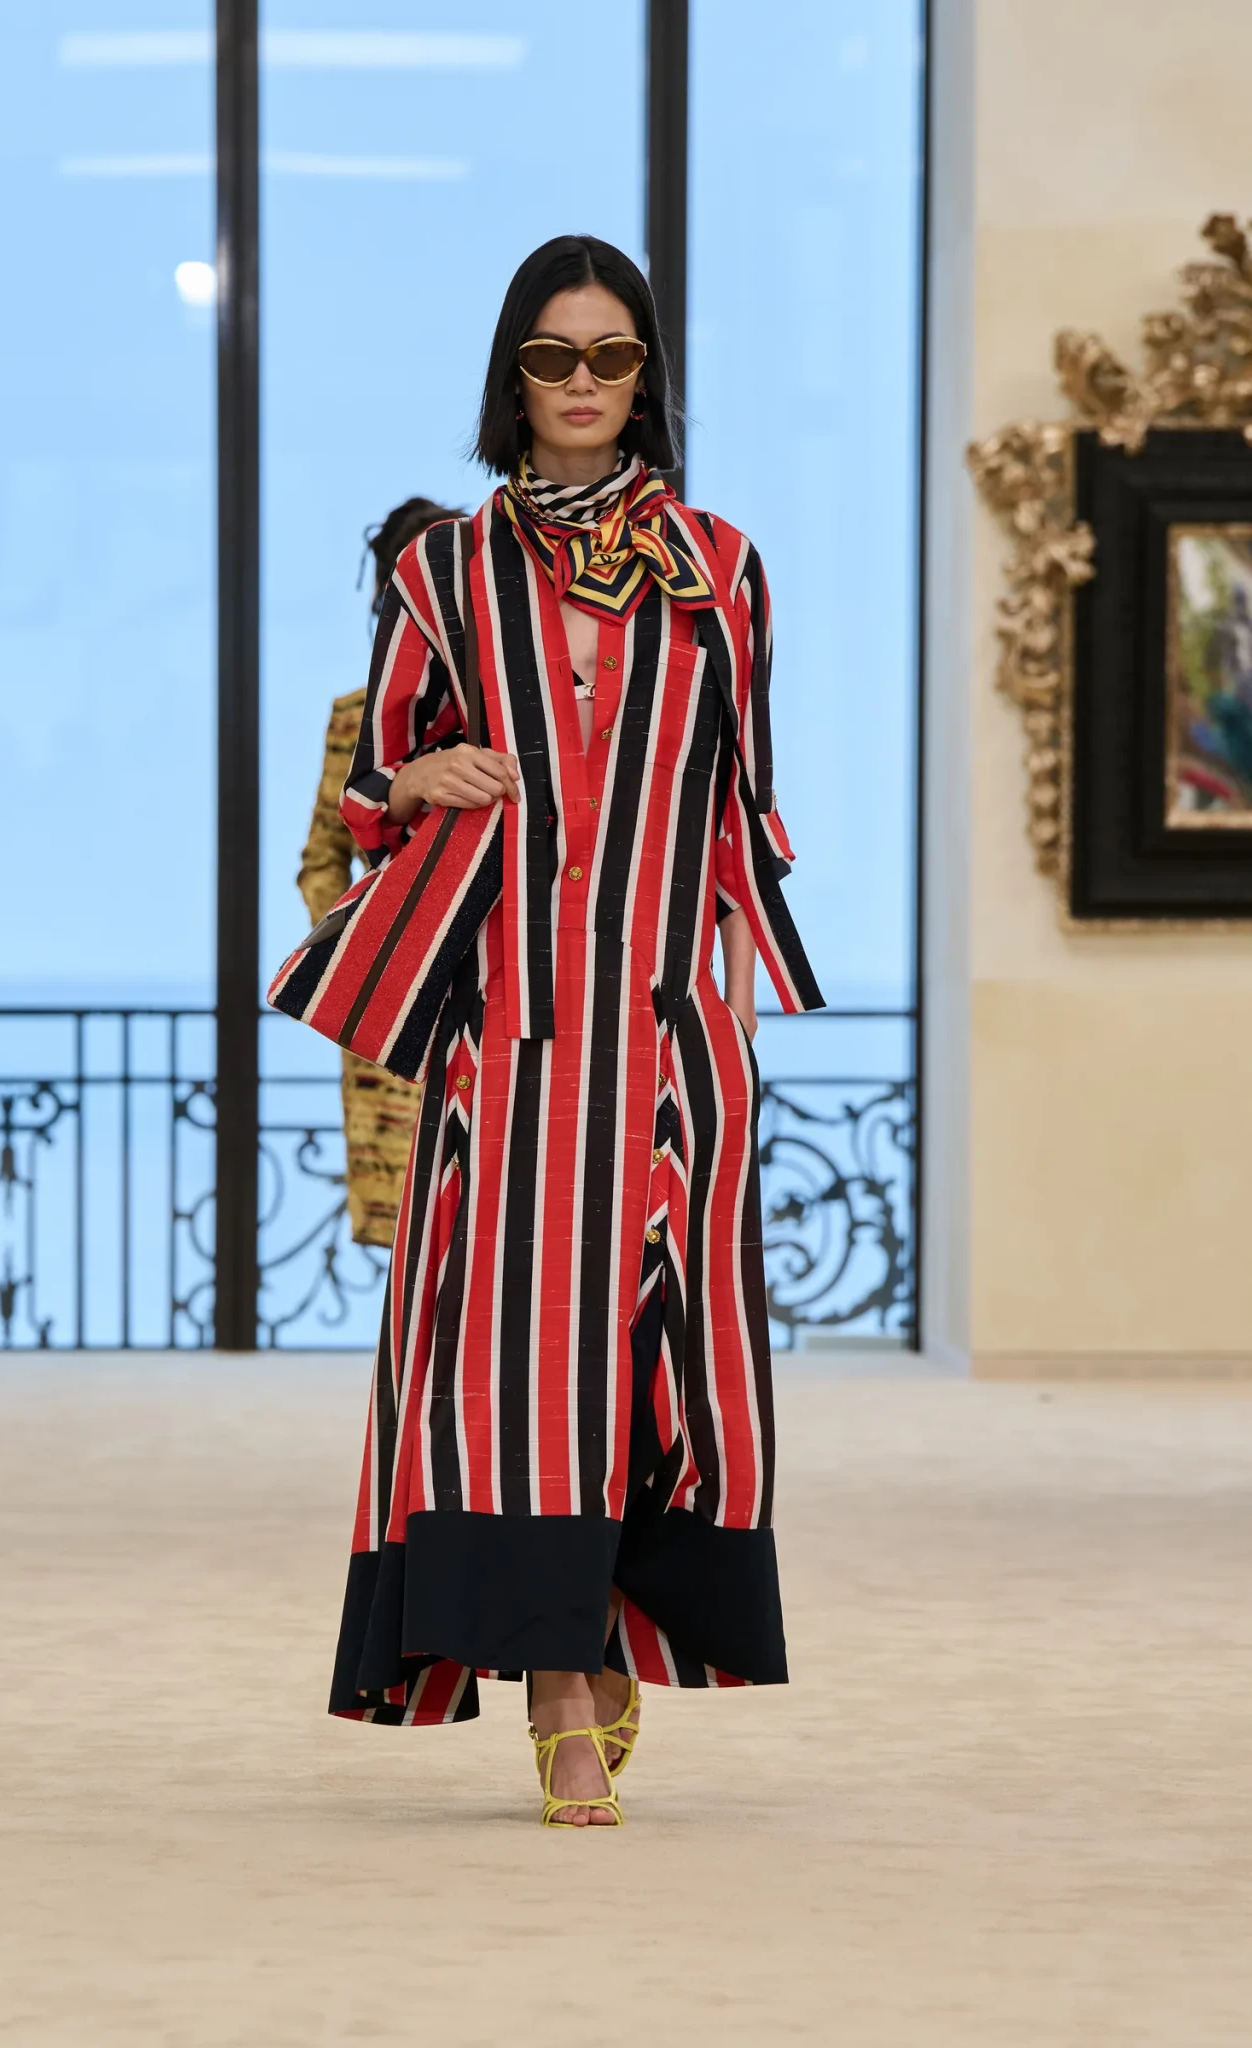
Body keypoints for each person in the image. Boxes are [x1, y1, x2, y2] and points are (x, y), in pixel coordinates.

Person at [330, 235, 823, 1825]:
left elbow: (743, 818)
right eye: (554, 357)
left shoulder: (721, 567)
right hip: (514, 1033)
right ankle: (555, 1688)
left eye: (613, 355)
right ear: (514, 378)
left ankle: (619, 1632)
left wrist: (736, 1032)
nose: (584, 384)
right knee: (518, 1361)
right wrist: (420, 775)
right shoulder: (444, 573)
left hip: (673, 1033)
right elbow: (370, 788)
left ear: (647, 375)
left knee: (664, 1356)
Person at [297, 498, 463, 1247]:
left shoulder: (512, 710)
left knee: (492, 1224)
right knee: (408, 1231)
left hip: (496, 988)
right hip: (389, 1004)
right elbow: (321, 861)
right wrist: (362, 952)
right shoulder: (354, 716)